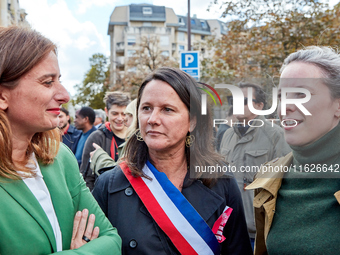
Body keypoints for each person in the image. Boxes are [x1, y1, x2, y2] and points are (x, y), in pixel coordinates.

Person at [92, 67, 252, 254]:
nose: (152, 119)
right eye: (146, 108)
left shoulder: (221, 182)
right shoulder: (109, 185)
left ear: (192, 121)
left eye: (167, 109)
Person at [0, 26, 121, 254]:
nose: (65, 95)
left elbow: (111, 240)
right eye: (47, 82)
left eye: (59, 80)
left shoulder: (58, 156)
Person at [246, 46, 340, 255]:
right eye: (282, 96)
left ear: (337, 105)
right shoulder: (269, 178)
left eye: (301, 94)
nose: (285, 106)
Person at [219, 83, 291, 248]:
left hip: (259, 233)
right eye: (233, 99)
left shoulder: (276, 135)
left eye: (244, 100)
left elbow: (285, 184)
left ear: (259, 105)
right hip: (230, 229)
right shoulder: (228, 135)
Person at [81, 92, 130, 190]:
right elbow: (86, 176)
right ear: (106, 112)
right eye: (115, 113)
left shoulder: (136, 137)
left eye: (124, 114)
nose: (120, 118)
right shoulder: (96, 137)